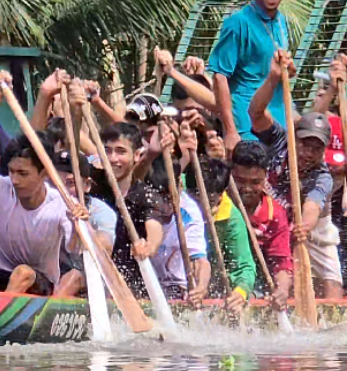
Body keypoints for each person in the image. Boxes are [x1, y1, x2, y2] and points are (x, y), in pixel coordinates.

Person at [0, 71, 87, 295]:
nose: (15, 180)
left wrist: (79, 227)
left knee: (23, 273)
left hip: (37, 283)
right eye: (11, 171)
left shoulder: (61, 204)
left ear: (43, 175)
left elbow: (74, 247)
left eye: (23, 173)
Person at [249, 50, 347, 298]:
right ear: (295, 138)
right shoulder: (280, 140)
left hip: (307, 225)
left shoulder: (323, 176)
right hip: (269, 216)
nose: (308, 152)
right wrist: (273, 79)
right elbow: (255, 113)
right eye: (304, 144)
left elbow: (311, 208)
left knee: (332, 284)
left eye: (316, 147)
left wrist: (304, 226)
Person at [208, 0, 293, 151]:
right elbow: (220, 76)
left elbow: (275, 71)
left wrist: (289, 67)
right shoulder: (237, 23)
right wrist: (230, 131)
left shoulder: (281, 21)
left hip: (278, 123)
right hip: (247, 128)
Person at [90, 120, 168, 294]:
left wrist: (147, 247)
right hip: (92, 278)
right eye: (107, 150)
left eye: (121, 151)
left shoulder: (147, 197)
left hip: (130, 287)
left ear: (137, 156)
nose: (112, 159)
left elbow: (154, 232)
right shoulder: (90, 184)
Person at [230, 141, 293, 311]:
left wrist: (282, 290)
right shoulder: (219, 204)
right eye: (240, 181)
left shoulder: (275, 214)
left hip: (257, 282)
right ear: (231, 174)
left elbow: (282, 263)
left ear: (265, 177)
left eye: (255, 182)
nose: (247, 188)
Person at [52, 149, 117, 299]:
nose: (62, 192)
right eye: (55, 183)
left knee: (74, 276)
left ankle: (49, 311)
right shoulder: (44, 204)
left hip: (86, 275)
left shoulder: (100, 211)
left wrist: (83, 226)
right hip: (52, 270)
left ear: (86, 185)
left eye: (70, 183)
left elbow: (105, 248)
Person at [147, 157, 211, 306]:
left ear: (180, 187)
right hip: (147, 282)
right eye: (158, 197)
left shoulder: (190, 211)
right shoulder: (140, 202)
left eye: (168, 197)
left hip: (177, 287)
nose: (163, 204)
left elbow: (199, 260)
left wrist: (201, 287)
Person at [194, 156, 255, 313]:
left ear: (221, 195)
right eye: (197, 199)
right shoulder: (178, 205)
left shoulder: (231, 218)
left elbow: (244, 266)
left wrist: (240, 293)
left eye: (210, 201)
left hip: (212, 286)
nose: (202, 207)